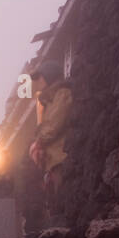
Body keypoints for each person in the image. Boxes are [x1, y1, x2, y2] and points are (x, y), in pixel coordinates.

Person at [27, 60, 73, 226]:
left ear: (49, 76)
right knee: (54, 203)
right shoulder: (49, 100)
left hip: (61, 158)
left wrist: (38, 142)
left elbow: (53, 125)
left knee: (62, 201)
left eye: (40, 77)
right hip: (52, 162)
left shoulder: (62, 94)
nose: (38, 82)